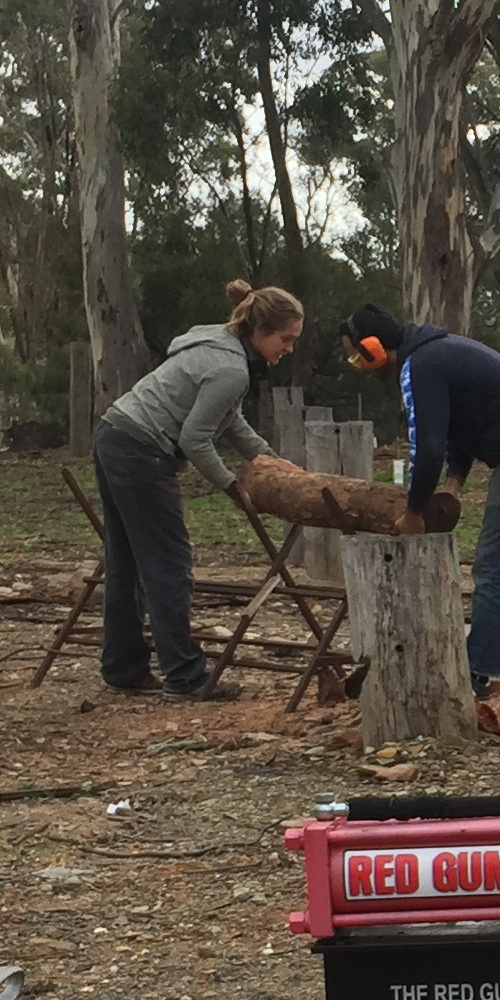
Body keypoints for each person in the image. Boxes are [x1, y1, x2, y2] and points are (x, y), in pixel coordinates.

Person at [339, 303, 500, 696]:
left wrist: (414, 512)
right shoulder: (434, 354)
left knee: (496, 565)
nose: (359, 366)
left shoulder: (420, 365)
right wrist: (453, 484)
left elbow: (427, 448)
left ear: (373, 348)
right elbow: (457, 430)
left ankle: (477, 672)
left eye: (356, 357)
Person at [92, 281, 305, 700]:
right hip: (142, 452)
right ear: (261, 330)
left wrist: (269, 460)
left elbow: (230, 419)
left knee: (126, 562)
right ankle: (184, 676)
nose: (289, 348)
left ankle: (123, 667)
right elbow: (195, 439)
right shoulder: (231, 369)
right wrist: (232, 486)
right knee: (169, 565)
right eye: (285, 339)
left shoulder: (218, 344)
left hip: (113, 435)